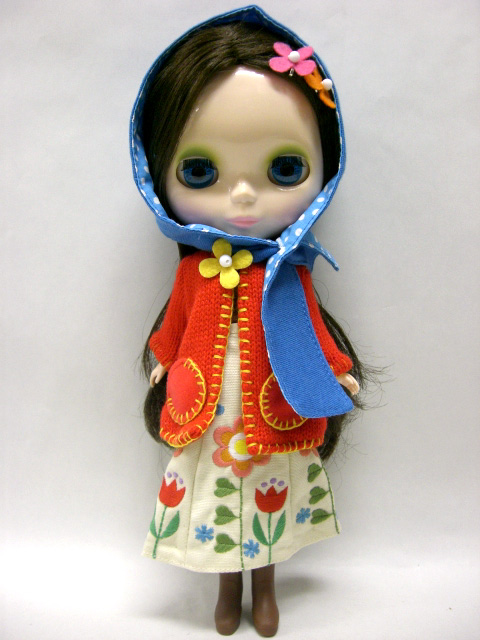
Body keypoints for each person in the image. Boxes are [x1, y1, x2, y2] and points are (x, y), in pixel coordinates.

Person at [130, 6, 365, 637]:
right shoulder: (195, 273)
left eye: (284, 169)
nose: (240, 196)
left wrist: (337, 370)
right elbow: (175, 325)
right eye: (200, 171)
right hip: (209, 413)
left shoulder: (288, 276)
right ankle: (225, 592)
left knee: (268, 503)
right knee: (217, 504)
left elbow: (309, 332)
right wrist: (162, 358)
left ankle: (265, 590)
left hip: (270, 409)